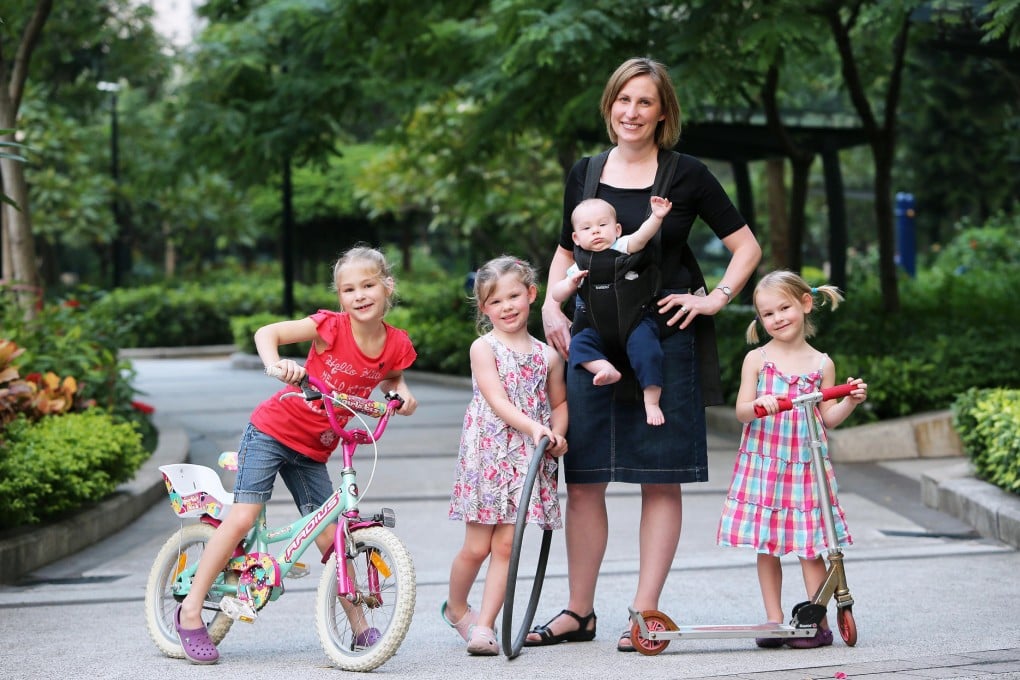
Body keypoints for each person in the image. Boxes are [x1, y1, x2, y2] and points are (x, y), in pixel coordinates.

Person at [528, 56, 762, 652]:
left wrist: (715, 300)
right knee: (584, 479)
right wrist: (551, 310)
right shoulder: (585, 173)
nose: (631, 112)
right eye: (622, 100)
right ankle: (579, 612)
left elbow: (745, 246)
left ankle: (644, 611)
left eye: (645, 102)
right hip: (592, 343)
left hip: (662, 340)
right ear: (610, 107)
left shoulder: (687, 175)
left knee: (660, 480)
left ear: (663, 113)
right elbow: (565, 252)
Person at [173, 246, 418, 665]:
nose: (359, 295)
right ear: (339, 296)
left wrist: (402, 397)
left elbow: (392, 379)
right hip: (272, 430)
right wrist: (275, 365)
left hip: (317, 447)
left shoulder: (396, 343)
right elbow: (266, 333)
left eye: (368, 285)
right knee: (244, 517)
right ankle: (191, 612)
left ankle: (360, 629)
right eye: (349, 289)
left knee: (332, 533)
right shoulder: (329, 327)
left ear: (387, 286)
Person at [717, 270, 867, 649]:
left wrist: (849, 400)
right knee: (767, 545)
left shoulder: (821, 365)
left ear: (804, 304)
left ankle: (815, 620)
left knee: (808, 544)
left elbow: (826, 418)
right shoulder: (758, 358)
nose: (777, 318)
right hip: (765, 463)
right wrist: (758, 405)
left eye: (784, 307)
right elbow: (740, 411)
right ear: (760, 320)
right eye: (767, 313)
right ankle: (774, 618)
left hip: (805, 464)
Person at [443, 256, 569, 656]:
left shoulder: (548, 355)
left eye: (514, 296)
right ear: (484, 308)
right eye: (496, 302)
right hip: (489, 454)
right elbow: (497, 400)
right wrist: (534, 428)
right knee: (478, 547)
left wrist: (556, 436)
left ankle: (485, 626)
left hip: (529, 459)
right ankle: (457, 607)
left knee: (506, 548)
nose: (507, 306)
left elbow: (559, 404)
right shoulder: (484, 348)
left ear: (532, 294)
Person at [549, 195, 673, 425]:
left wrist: (656, 217)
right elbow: (556, 294)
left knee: (649, 351)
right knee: (577, 345)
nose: (595, 231)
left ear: (617, 229)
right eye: (587, 228)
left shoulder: (622, 246)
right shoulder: (579, 265)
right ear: (575, 238)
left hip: (634, 321)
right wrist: (569, 283)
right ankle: (605, 368)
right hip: (596, 327)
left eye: (602, 225)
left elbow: (642, 237)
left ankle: (652, 401)